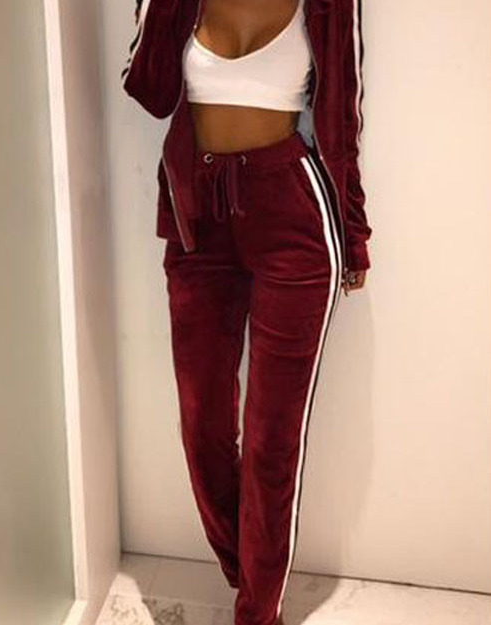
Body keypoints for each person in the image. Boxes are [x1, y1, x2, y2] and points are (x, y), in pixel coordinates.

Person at [121, 0, 373, 623]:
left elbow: (343, 115)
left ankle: (258, 612)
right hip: (197, 217)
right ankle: (250, 576)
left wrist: (354, 234)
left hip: (293, 217)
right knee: (202, 425)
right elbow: (148, 88)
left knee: (272, 441)